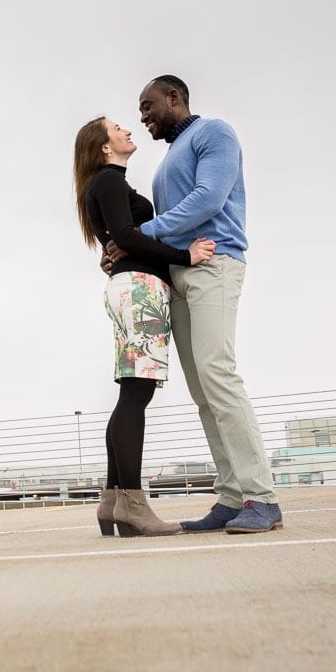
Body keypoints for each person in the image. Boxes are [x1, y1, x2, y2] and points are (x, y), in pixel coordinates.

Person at [105, 74, 282, 534]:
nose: (143, 117)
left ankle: (261, 496)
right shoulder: (168, 160)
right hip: (180, 275)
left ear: (174, 97)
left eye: (147, 107)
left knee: (219, 374)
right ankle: (231, 496)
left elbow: (209, 199)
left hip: (216, 262)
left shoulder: (214, 132)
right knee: (203, 390)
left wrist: (136, 236)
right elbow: (169, 225)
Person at [74, 115, 215, 538]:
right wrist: (184, 256)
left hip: (129, 287)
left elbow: (122, 239)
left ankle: (113, 502)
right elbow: (127, 237)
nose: (128, 130)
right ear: (103, 146)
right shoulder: (108, 181)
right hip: (138, 289)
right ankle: (133, 504)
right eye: (118, 128)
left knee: (131, 393)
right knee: (136, 394)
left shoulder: (107, 184)